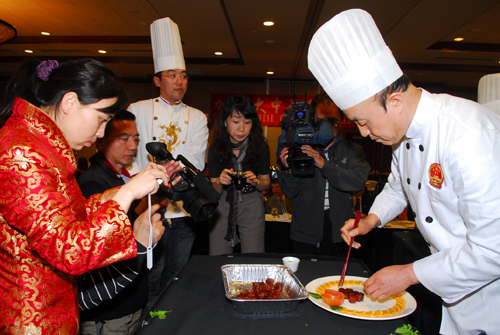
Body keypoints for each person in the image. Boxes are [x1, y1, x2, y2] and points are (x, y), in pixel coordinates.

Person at [309, 9, 500, 334]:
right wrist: (372, 219)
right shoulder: (402, 134)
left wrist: (410, 273)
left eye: (364, 121)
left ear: (394, 100)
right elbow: (398, 187)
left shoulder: (468, 135)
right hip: (452, 283)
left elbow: (492, 249)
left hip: (489, 291)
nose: (364, 133)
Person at [0, 58, 172, 334]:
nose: (101, 132)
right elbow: (69, 250)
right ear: (70, 102)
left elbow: (74, 213)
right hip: (31, 320)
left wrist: (131, 187)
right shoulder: (22, 152)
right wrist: (128, 191)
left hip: (56, 309)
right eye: (102, 119)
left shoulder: (40, 145)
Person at [127, 18, 208, 307]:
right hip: (147, 207)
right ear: (157, 79)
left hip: (183, 209)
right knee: (150, 273)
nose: (180, 81)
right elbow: (129, 159)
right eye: (172, 75)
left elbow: (195, 162)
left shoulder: (198, 117)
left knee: (178, 274)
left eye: (184, 75)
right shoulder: (137, 110)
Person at [77, 110, 149, 334]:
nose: (132, 146)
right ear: (101, 142)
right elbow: (104, 248)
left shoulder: (122, 178)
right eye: (123, 138)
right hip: (109, 309)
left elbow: (130, 220)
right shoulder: (93, 183)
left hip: (130, 299)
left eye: (136, 139)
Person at [277, 92, 370, 256]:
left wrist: (324, 164)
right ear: (312, 120)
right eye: (321, 122)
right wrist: (290, 170)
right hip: (305, 231)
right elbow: (290, 192)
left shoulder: (352, 150)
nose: (327, 127)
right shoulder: (300, 149)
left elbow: (357, 183)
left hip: (340, 232)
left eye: (333, 121)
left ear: (341, 120)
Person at [207, 95, 271, 255]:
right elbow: (214, 190)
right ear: (225, 122)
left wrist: (256, 182)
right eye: (236, 122)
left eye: (247, 122)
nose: (241, 129)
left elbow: (266, 183)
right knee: (218, 255)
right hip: (222, 203)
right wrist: (220, 181)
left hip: (251, 201)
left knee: (254, 257)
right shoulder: (216, 147)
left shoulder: (260, 146)